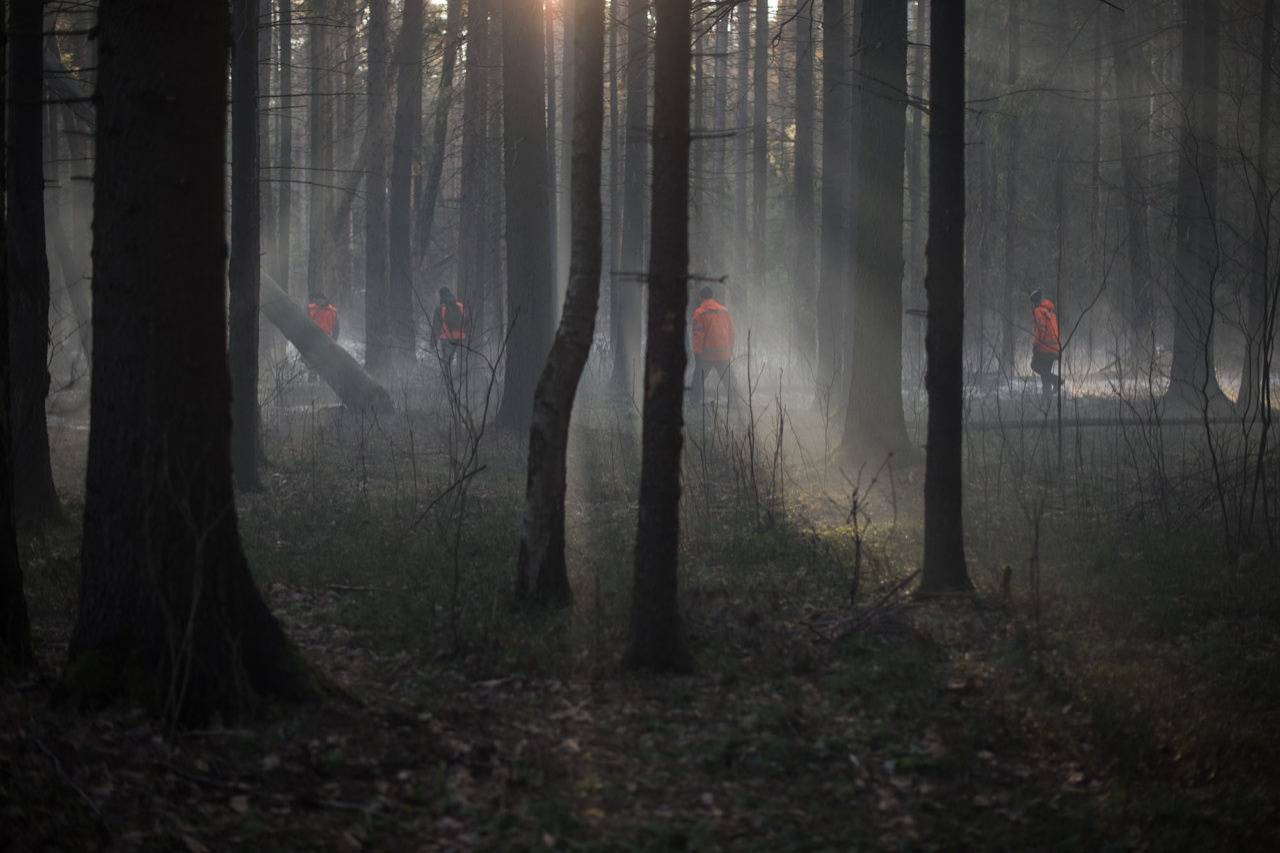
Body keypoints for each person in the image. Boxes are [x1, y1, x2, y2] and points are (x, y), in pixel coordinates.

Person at [690, 286, 735, 408]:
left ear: (701, 297)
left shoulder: (699, 313)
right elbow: (731, 331)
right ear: (712, 296)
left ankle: (694, 402)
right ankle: (736, 401)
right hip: (723, 352)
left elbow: (698, 335)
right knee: (729, 379)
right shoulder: (724, 311)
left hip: (706, 354)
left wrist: (697, 353)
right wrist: (730, 348)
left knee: (698, 378)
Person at [1029, 288, 1063, 399]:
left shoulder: (1038, 311)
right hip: (1055, 347)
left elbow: (1041, 329)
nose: (1033, 305)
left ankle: (1057, 381)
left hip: (1045, 347)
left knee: (1035, 366)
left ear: (1035, 302)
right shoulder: (1050, 312)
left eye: (1033, 302)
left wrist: (1035, 345)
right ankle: (1046, 396)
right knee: (1045, 371)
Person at [430, 287, 468, 378]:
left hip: (446, 338)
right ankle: (461, 381)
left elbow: (436, 326)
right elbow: (467, 322)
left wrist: (433, 341)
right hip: (460, 338)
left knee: (446, 363)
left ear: (441, 296)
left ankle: (447, 383)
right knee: (461, 362)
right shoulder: (460, 305)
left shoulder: (439, 309)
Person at [305, 294, 339, 383]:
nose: (319, 302)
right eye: (317, 300)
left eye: (321, 300)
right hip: (313, 339)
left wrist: (334, 340)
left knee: (324, 361)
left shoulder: (333, 311)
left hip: (326, 339)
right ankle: (312, 379)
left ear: (325, 300)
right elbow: (305, 323)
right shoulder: (310, 309)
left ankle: (322, 381)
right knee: (312, 360)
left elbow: (336, 328)